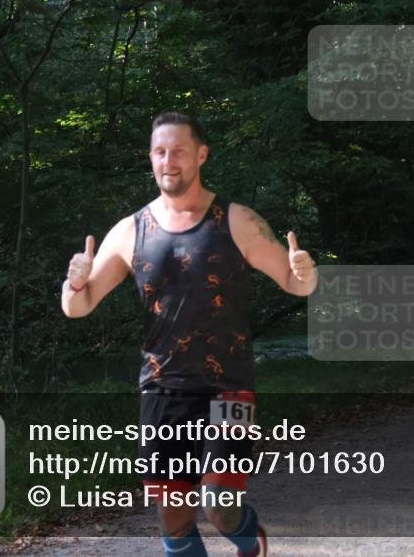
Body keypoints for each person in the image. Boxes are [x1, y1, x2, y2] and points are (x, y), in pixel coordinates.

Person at [62, 112, 317, 557]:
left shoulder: (237, 221)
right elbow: (77, 308)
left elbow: (297, 284)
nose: (169, 160)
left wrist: (306, 274)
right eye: (160, 151)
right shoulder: (130, 231)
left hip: (229, 388)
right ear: (150, 158)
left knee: (219, 503)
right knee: (174, 517)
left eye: (179, 150)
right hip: (162, 388)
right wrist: (73, 284)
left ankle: (247, 535)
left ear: (201, 154)